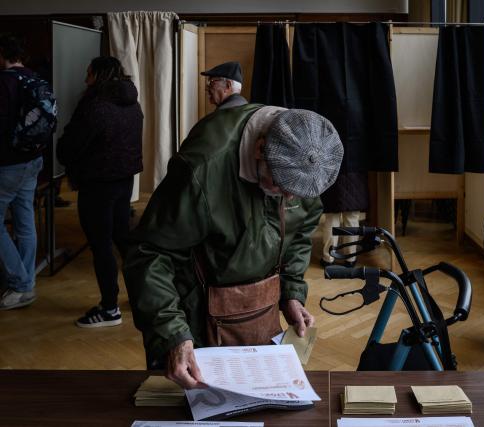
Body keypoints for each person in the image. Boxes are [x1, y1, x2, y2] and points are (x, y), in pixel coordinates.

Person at [123, 61, 343, 389]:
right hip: (194, 316)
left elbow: (299, 230)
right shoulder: (202, 169)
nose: (288, 197)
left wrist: (292, 293)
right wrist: (172, 335)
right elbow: (149, 253)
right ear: (259, 149)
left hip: (259, 315)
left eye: (294, 193)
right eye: (279, 187)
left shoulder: (304, 159)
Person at [57, 56, 143, 328]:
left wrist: (66, 157)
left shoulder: (95, 106)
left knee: (101, 244)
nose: (85, 79)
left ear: (98, 75)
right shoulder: (132, 103)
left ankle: (109, 309)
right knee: (121, 238)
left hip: (97, 183)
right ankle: (143, 298)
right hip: (123, 180)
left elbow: (71, 145)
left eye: (88, 73)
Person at [0, 34, 44, 310]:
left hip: (8, 162)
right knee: (25, 218)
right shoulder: (35, 79)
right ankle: (25, 283)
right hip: (34, 159)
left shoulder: (3, 82)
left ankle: (20, 283)